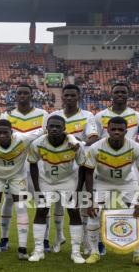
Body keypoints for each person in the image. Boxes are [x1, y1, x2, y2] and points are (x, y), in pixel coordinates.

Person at [83, 116, 139, 267]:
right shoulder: (96, 147)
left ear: (126, 131)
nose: (116, 132)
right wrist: (89, 200)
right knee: (94, 213)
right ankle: (94, 252)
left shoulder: (136, 147)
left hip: (127, 182)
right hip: (102, 182)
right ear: (107, 130)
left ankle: (138, 255)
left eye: (120, 130)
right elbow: (88, 173)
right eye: (113, 129)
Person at [94, 82, 139, 255]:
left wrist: (135, 154)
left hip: (129, 167)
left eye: (123, 92)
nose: (120, 94)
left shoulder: (137, 116)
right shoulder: (100, 116)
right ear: (111, 94)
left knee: (135, 206)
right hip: (103, 167)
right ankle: (99, 244)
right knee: (97, 208)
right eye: (117, 92)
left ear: (128, 95)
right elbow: (95, 140)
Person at [27, 115, 86, 263]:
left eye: (58, 127)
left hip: (68, 180)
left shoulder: (74, 145)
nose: (54, 129)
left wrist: (78, 191)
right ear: (46, 128)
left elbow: (82, 166)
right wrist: (37, 189)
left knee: (73, 211)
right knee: (41, 211)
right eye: (51, 126)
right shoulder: (37, 143)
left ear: (64, 129)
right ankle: (39, 250)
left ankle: (76, 252)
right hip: (46, 181)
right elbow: (33, 165)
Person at [49, 84, 99, 253]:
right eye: (66, 95)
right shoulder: (54, 115)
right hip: (58, 165)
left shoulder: (87, 116)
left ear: (79, 97)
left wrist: (80, 143)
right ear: (62, 97)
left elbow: (93, 138)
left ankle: (85, 239)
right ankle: (59, 236)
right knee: (57, 202)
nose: (69, 98)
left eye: (73, 95)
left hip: (80, 165)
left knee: (81, 201)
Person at [0, 84, 48, 252]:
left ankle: (45, 240)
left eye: (26, 93)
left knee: (40, 200)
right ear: (15, 96)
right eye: (20, 93)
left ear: (32, 95)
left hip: (37, 164)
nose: (23, 96)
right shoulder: (7, 115)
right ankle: (4, 238)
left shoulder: (43, 115)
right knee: (9, 200)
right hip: (14, 164)